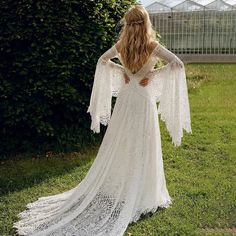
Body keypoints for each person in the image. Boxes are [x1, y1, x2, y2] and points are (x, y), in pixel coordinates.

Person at [13, 4, 192, 236]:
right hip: (143, 99)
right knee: (142, 143)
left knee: (122, 141)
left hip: (128, 98)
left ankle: (123, 184)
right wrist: (150, 75)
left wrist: (125, 74)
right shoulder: (152, 46)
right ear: (146, 22)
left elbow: (103, 60)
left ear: (126, 24)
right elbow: (177, 64)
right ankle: (141, 189)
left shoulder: (122, 45)